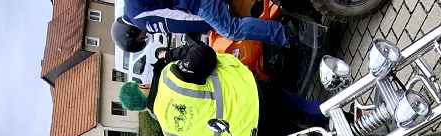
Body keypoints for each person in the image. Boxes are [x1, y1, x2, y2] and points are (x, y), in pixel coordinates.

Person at [117, 42, 327, 136]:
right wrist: (171, 55)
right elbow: (204, 54)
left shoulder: (171, 135)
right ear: (143, 86)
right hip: (252, 98)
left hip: (249, 135)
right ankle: (348, 120)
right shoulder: (168, 78)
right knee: (304, 109)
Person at [112, 0, 308, 52]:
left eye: (142, 37)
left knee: (231, 29)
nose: (146, 36)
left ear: (131, 33)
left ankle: (287, 35)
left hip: (197, 2)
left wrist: (208, 25)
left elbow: (177, 21)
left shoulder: (140, 18)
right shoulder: (131, 4)